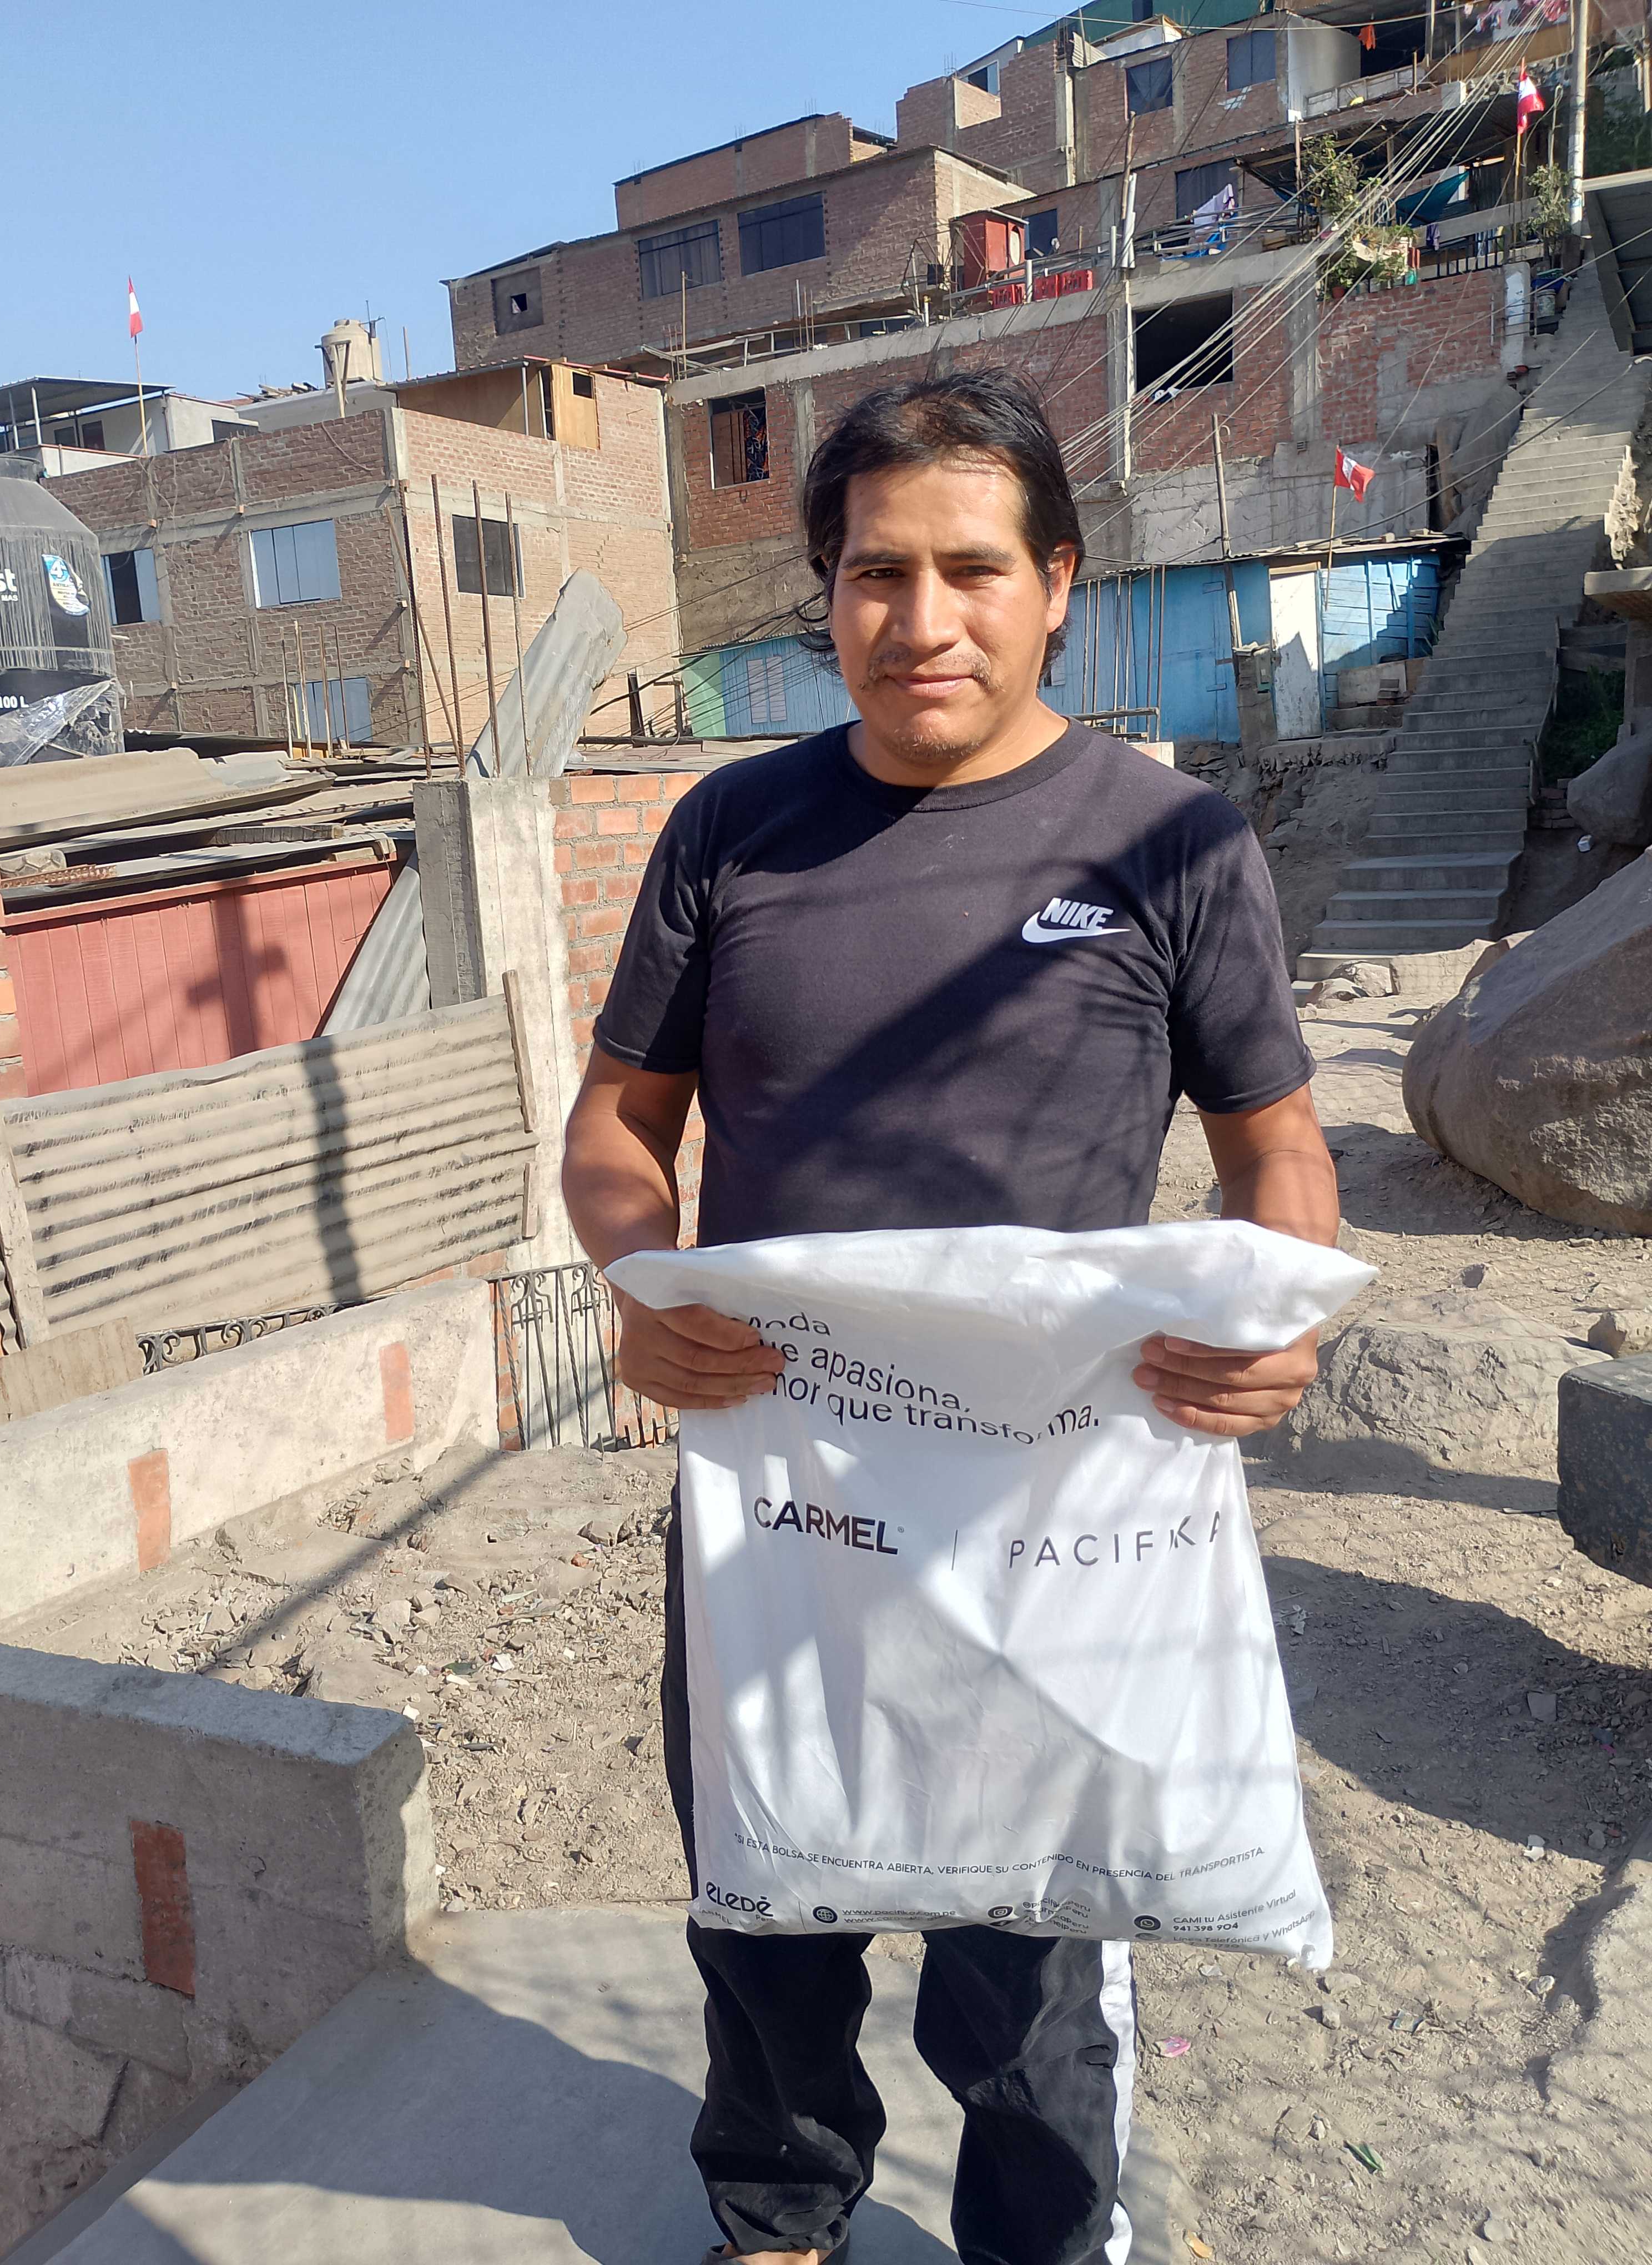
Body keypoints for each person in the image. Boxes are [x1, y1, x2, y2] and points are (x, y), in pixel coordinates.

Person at [561, 368, 1339, 2265]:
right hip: (782, 1501)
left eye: (972, 570)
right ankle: (779, 2217)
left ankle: (1042, 2241)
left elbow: (1279, 1147)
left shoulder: (1173, 841)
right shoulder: (733, 831)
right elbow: (615, 1128)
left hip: (1053, 1514)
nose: (922, 621)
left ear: (1057, 581)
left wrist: (1275, 1319)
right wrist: (640, 1290)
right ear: (826, 593)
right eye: (876, 574)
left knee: (1031, 1957)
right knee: (766, 1911)